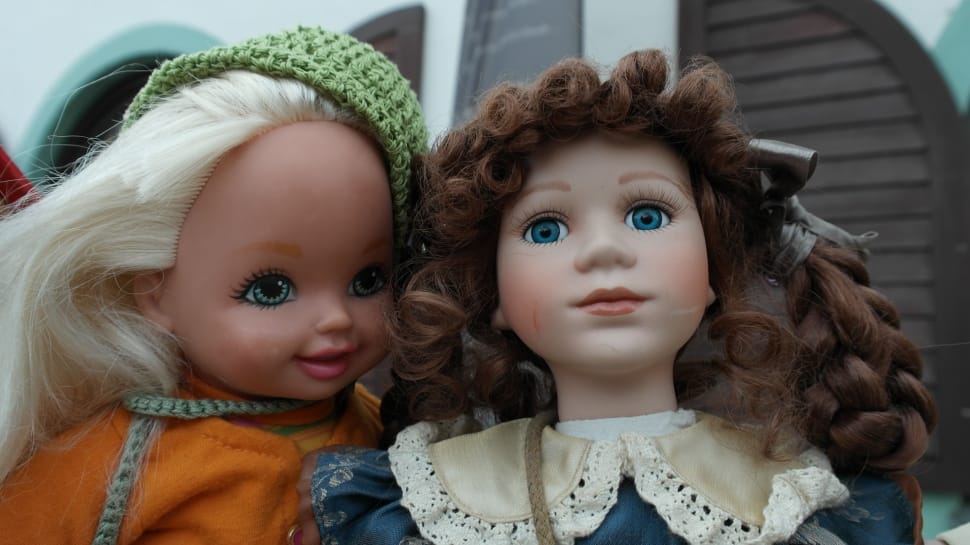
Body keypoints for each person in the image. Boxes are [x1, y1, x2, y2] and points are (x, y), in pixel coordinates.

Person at [303, 49, 937, 544]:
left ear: (713, 273)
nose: (603, 252)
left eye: (647, 215)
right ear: (492, 295)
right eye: (545, 229)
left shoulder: (787, 494)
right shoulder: (440, 496)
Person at [0, 26, 426, 545]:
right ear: (155, 292)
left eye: (368, 280)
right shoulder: (107, 463)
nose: (335, 318)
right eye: (269, 290)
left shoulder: (386, 430)